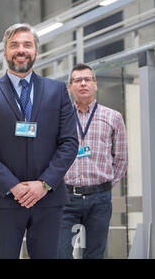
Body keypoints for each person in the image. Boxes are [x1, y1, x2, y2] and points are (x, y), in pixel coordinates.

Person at [0, 23, 78, 259]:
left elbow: (70, 142)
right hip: (5, 198)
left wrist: (44, 183)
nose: (21, 50)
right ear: (5, 52)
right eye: (14, 45)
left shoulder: (58, 91)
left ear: (36, 51)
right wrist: (13, 186)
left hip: (48, 198)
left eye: (27, 45)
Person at [58, 63, 128, 259]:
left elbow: (121, 159)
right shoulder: (59, 118)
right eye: (77, 80)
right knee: (59, 252)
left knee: (95, 254)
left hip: (99, 199)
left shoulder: (113, 117)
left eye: (87, 79)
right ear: (70, 87)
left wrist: (104, 185)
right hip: (65, 196)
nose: (83, 83)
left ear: (95, 85)